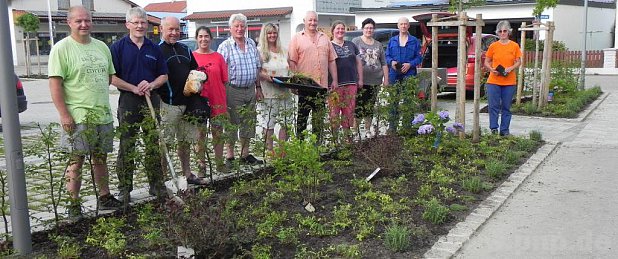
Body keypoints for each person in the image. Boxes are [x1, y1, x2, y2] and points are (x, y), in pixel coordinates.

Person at [48, 5, 121, 218]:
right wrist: (64, 114)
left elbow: (109, 76)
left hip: (102, 114)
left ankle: (105, 196)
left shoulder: (102, 47)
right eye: (78, 21)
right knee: (76, 159)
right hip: (78, 115)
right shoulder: (61, 49)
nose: (83, 24)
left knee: (100, 158)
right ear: (69, 23)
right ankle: (73, 203)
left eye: (87, 20)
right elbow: (55, 85)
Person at [110, 7, 168, 202]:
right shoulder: (118, 48)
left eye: (143, 22)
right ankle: (124, 188)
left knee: (153, 142)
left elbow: (163, 75)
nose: (140, 26)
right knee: (127, 144)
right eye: (135, 22)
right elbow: (112, 77)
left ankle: (156, 185)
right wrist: (133, 88)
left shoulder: (154, 48)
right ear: (128, 24)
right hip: (128, 100)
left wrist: (151, 84)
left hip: (151, 99)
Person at [157, 16, 208, 185]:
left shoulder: (185, 49)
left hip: (188, 103)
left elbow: (195, 71)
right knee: (166, 142)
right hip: (168, 103)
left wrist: (199, 82)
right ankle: (164, 176)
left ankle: (187, 173)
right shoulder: (157, 50)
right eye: (170, 29)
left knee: (185, 141)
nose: (174, 32)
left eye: (177, 29)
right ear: (162, 29)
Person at [217, 13, 264, 165]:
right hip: (233, 89)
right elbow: (220, 71)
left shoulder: (251, 43)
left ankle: (245, 154)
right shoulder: (225, 47)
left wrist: (258, 88)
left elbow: (257, 67)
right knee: (232, 123)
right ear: (230, 28)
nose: (239, 29)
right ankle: (230, 156)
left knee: (248, 123)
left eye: (242, 26)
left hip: (250, 88)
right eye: (236, 26)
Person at [288, 11, 338, 142]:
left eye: (315, 20)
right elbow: (292, 62)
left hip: (321, 86)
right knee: (302, 118)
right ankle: (300, 145)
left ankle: (317, 146)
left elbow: (331, 60)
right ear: (304, 21)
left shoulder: (324, 37)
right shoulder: (297, 38)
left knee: (318, 118)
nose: (312, 23)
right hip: (304, 85)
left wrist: (335, 80)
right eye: (310, 20)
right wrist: (293, 82)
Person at [193, 26, 229, 173]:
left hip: (217, 100)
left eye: (206, 36)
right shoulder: (192, 56)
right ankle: (201, 165)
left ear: (211, 38)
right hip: (199, 101)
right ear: (196, 38)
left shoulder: (218, 57)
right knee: (200, 134)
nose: (203, 39)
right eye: (200, 36)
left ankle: (220, 163)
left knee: (218, 133)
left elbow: (225, 80)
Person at [257, 23, 294, 157]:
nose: (272, 35)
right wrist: (266, 79)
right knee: (269, 122)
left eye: (274, 33)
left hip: (284, 91)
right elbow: (257, 72)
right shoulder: (260, 51)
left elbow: (289, 69)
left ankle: (282, 149)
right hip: (268, 92)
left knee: (286, 121)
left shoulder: (284, 50)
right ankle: (269, 150)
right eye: (269, 33)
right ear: (265, 35)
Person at [352, 18, 389, 138]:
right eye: (367, 28)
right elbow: (351, 60)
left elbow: (383, 63)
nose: (369, 30)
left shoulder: (378, 44)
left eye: (371, 28)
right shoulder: (356, 41)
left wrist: (386, 79)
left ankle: (367, 130)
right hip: (360, 81)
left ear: (374, 30)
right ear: (363, 29)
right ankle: (355, 131)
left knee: (369, 106)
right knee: (358, 106)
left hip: (375, 80)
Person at [484, 20, 522, 136]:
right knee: (493, 106)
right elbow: (486, 61)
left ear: (509, 32)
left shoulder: (514, 46)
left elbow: (519, 62)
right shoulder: (493, 46)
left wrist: (510, 68)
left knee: (506, 107)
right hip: (494, 81)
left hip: (509, 82)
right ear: (497, 33)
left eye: (505, 31)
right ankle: (494, 129)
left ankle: (505, 130)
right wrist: (491, 69)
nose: (502, 33)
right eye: (500, 31)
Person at [385, 17, 423, 133]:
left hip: (409, 73)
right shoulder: (392, 41)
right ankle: (392, 128)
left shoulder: (415, 41)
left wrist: (410, 64)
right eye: (401, 24)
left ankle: (407, 127)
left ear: (408, 26)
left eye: (405, 24)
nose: (403, 26)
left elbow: (419, 57)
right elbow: (387, 56)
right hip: (394, 74)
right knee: (393, 100)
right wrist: (391, 62)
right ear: (398, 26)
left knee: (408, 100)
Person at [328, 20, 363, 143]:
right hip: (335, 84)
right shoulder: (329, 45)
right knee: (334, 112)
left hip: (351, 82)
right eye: (338, 29)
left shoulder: (351, 45)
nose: (340, 31)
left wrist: (360, 79)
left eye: (342, 29)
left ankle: (347, 138)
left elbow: (358, 63)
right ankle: (334, 140)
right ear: (332, 31)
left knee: (349, 111)